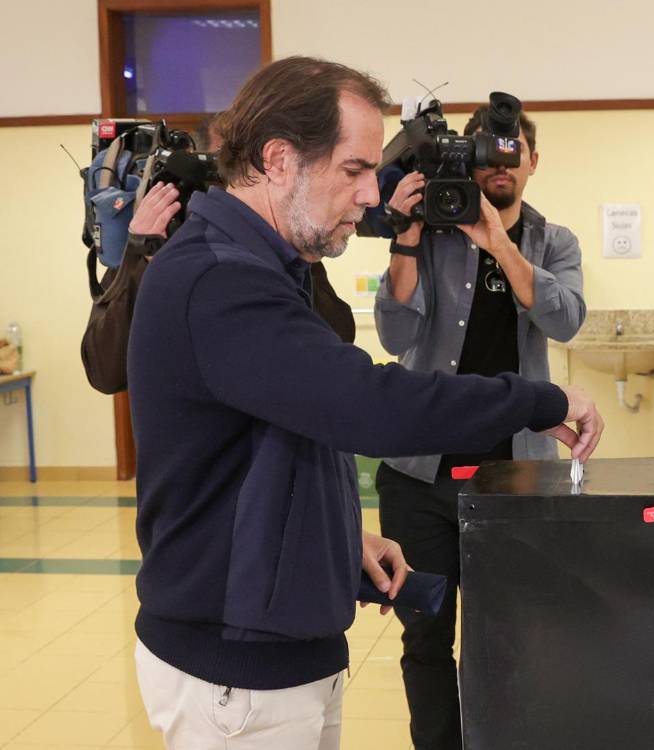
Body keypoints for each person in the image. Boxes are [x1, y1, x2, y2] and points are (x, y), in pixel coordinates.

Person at [126, 56, 603, 750]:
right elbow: (369, 405)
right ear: (279, 160)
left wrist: (339, 541)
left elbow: (281, 436)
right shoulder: (220, 281)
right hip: (237, 674)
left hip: (281, 658)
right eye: (354, 171)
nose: (368, 196)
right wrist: (539, 399)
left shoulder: (266, 267)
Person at [373, 103, 585, 748]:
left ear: (532, 161)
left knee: (510, 632)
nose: (499, 164)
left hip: (514, 475)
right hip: (420, 474)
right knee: (426, 634)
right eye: (484, 154)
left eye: (511, 150)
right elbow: (394, 332)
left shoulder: (554, 242)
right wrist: (406, 235)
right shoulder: (429, 236)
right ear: (465, 159)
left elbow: (565, 320)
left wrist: (497, 242)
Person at [81, 116, 355, 395]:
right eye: (224, 169)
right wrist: (143, 257)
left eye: (250, 170)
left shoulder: (280, 239)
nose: (238, 185)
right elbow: (105, 372)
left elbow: (339, 338)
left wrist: (301, 251)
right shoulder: (161, 235)